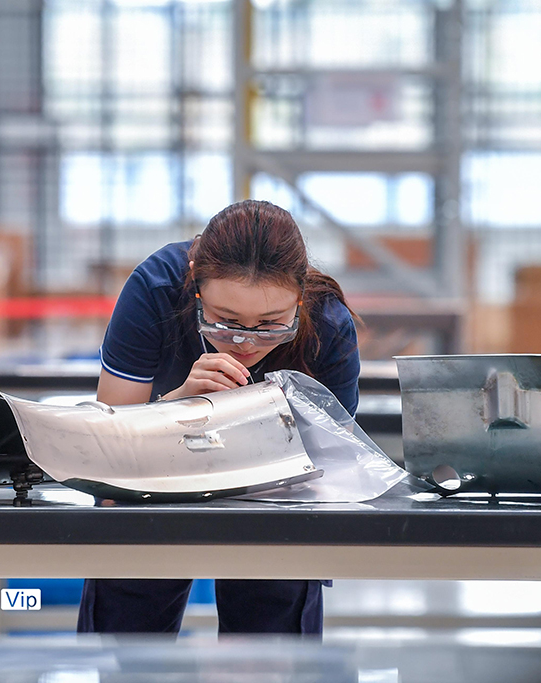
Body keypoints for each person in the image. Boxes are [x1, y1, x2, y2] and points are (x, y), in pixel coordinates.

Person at [77, 199, 360, 636]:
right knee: (127, 640)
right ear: (195, 288)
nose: (245, 342)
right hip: (154, 482)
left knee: (273, 645)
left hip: (276, 496)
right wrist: (178, 404)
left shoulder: (328, 325)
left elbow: (330, 461)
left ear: (301, 298)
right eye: (225, 321)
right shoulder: (155, 288)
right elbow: (110, 432)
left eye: (270, 323)